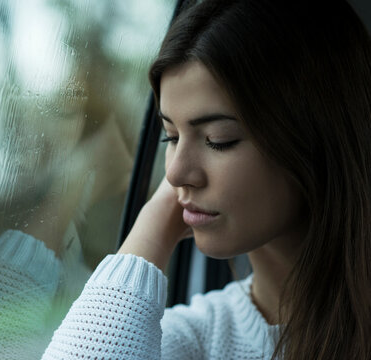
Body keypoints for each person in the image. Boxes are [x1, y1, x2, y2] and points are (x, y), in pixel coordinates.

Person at [42, 0, 371, 359]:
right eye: (171, 137)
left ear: (317, 137)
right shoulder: (195, 338)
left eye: (218, 139)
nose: (174, 173)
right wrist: (150, 231)